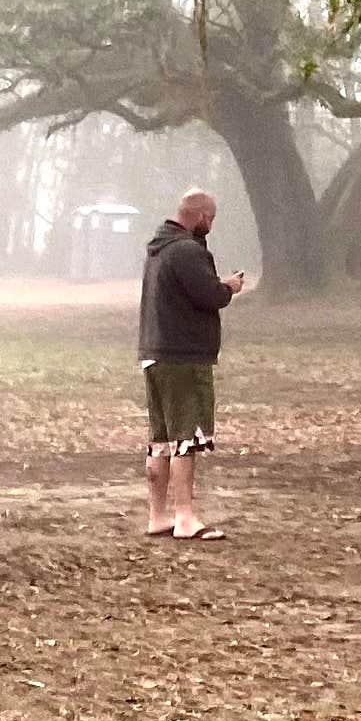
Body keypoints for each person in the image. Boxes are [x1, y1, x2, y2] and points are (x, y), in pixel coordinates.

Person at [137, 186, 245, 540]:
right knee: (187, 438)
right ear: (199, 216)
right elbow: (208, 295)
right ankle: (185, 517)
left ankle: (157, 515)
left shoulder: (158, 249)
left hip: (154, 352)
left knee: (161, 438)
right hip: (183, 357)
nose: (211, 225)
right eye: (210, 219)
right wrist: (228, 287)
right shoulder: (186, 250)